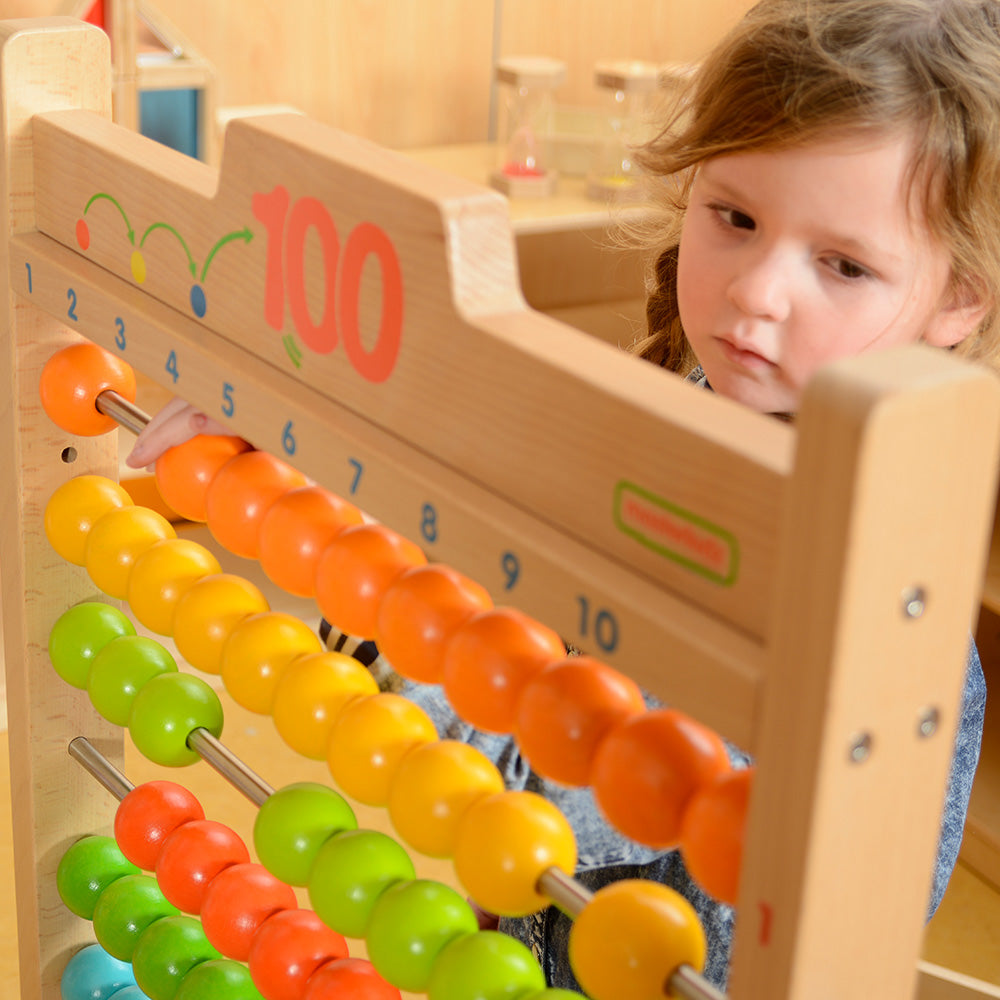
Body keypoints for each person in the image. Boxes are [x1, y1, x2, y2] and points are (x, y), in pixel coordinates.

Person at [126, 0, 1000, 989]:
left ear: (960, 298)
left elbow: (546, 773)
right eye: (735, 218)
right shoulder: (663, 414)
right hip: (525, 951)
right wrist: (303, 452)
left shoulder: (832, 606)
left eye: (843, 264)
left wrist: (332, 545)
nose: (757, 292)